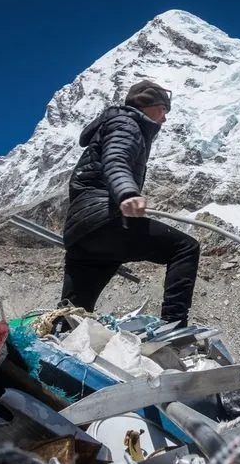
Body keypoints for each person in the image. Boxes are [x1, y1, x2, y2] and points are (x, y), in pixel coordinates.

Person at [61, 80, 200, 328]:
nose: (164, 119)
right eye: (163, 110)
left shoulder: (116, 124)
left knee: (71, 315)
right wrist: (126, 193)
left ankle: (53, 347)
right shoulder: (127, 124)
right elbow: (116, 160)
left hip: (82, 234)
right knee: (185, 248)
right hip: (104, 219)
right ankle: (174, 325)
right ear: (147, 105)